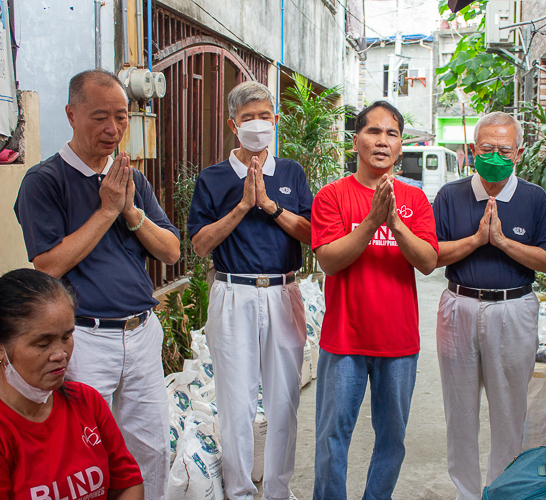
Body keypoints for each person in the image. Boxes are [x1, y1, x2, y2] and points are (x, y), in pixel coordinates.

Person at [14, 69, 181, 500]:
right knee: (86, 452)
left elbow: (171, 252)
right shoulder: (44, 181)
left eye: (122, 118)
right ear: (71, 114)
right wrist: (107, 210)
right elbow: (47, 266)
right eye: (100, 117)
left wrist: (131, 213)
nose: (113, 130)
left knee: (150, 448)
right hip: (85, 339)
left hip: (141, 332)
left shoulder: (132, 180)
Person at [188, 81, 312, 500]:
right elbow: (200, 244)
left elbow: (312, 233)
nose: (258, 125)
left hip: (283, 291)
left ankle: (278, 489)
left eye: (265, 116)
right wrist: (242, 205)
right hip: (233, 292)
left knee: (283, 401)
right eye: (248, 118)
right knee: (235, 400)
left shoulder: (291, 173)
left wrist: (270, 206)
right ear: (232, 124)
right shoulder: (213, 179)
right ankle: (238, 490)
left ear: (276, 120)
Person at [311, 101, 438, 500]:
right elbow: (329, 260)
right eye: (373, 131)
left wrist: (395, 222)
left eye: (392, 134)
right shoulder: (332, 196)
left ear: (400, 146)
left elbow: (429, 261)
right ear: (356, 141)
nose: (382, 141)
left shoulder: (414, 201)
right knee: (332, 439)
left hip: (398, 343)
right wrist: (370, 222)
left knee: (392, 439)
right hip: (344, 340)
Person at [432, 111, 546, 500]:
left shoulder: (534, 198)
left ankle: (502, 491)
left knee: (509, 413)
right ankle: (467, 493)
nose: (494, 156)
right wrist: (475, 240)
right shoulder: (450, 196)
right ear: (472, 150)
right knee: (460, 412)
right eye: (486, 148)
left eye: (503, 150)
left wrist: (503, 242)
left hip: (514, 310)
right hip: (459, 305)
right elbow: (432, 255)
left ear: (518, 152)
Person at [0, 268, 145, 499]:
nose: (60, 354)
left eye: (66, 337)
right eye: (42, 344)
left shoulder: (87, 401)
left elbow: (128, 484)